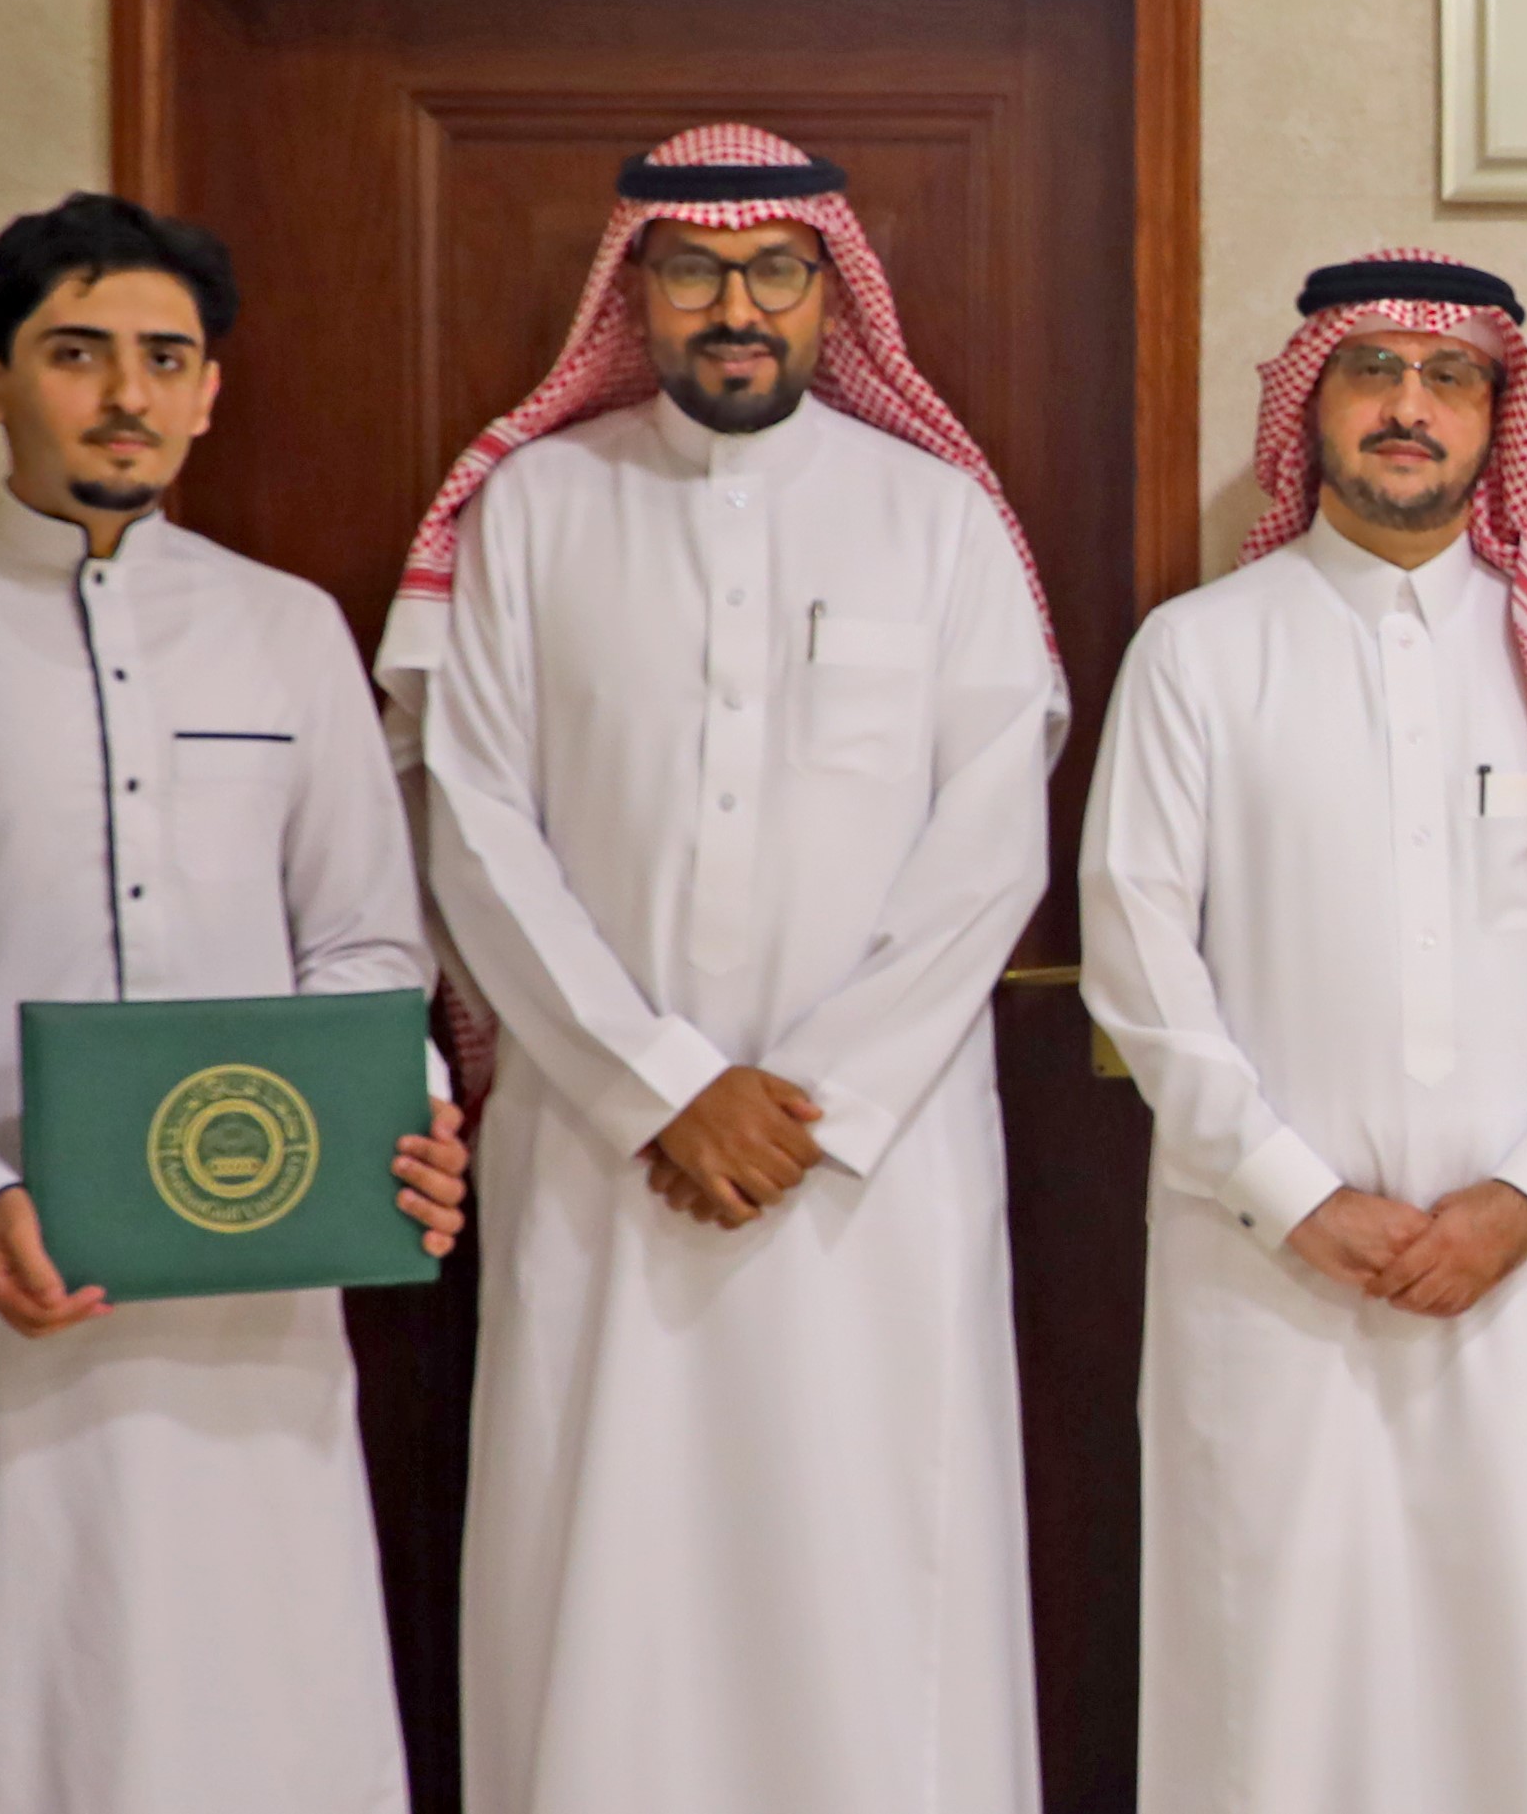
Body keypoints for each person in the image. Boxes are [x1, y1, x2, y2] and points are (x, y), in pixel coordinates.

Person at [390, 125, 1067, 1814]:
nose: (735, 306)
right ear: (635, 292)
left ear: (836, 293)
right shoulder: (536, 509)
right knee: (607, 1576)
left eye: (775, 269)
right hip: (606, 1154)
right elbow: (474, 826)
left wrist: (809, 1099)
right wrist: (662, 1088)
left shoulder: (937, 520)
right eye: (693, 270)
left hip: (868, 1170)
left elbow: (994, 844)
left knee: (875, 1572)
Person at [0, 195, 475, 1814]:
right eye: (77, 353)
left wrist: (396, 1120)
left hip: (253, 1280)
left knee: (256, 1698)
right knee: (9, 1700)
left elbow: (368, 942)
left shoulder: (286, 629)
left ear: (211, 390)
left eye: (164, 358)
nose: (126, 394)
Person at [1079, 251, 1527, 1814]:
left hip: (1525, 1275)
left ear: (1498, 412)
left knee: (1526, 1680)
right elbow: (1139, 965)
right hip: (1268, 1276)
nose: (1410, 407)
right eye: (1375, 371)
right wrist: (1297, 1196)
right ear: (1314, 404)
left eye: (1450, 376)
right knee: (1274, 1690)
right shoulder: (1199, 650)